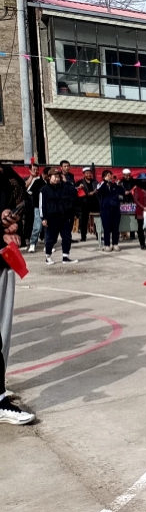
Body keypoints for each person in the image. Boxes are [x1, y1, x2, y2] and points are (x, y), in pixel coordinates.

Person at [1, 166, 34, 425]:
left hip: (4, 258)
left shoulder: (8, 175)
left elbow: (23, 202)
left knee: (3, 329)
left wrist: (16, 224)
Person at [40, 169, 79, 265]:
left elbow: (74, 191)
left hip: (64, 216)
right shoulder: (44, 190)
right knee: (51, 238)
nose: (57, 179)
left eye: (58, 177)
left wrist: (66, 182)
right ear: (49, 177)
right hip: (52, 217)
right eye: (55, 177)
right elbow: (42, 205)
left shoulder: (64, 187)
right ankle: (48, 257)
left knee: (67, 237)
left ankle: (65, 257)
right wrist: (43, 218)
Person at [96, 170, 126, 252]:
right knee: (107, 228)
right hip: (105, 209)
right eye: (107, 175)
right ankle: (107, 245)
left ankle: (115, 244)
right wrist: (105, 182)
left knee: (115, 228)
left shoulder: (114, 185)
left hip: (115, 209)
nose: (110, 177)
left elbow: (122, 192)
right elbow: (99, 192)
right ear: (104, 177)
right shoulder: (100, 184)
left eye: (110, 175)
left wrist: (119, 184)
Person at [25, 163, 46, 253]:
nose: (36, 171)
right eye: (34, 169)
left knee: (44, 226)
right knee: (34, 225)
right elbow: (26, 188)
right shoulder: (29, 179)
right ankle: (32, 242)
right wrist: (31, 178)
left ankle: (46, 243)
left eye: (37, 169)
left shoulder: (42, 180)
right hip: (31, 205)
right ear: (30, 170)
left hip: (41, 206)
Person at [77, 167, 99, 242]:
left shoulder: (95, 181)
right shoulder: (80, 182)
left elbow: (98, 189)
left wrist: (96, 192)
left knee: (97, 220)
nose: (88, 174)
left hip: (95, 202)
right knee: (84, 220)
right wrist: (87, 194)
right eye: (87, 173)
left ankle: (98, 235)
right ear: (84, 174)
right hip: (84, 203)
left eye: (89, 173)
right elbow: (78, 192)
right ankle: (83, 236)